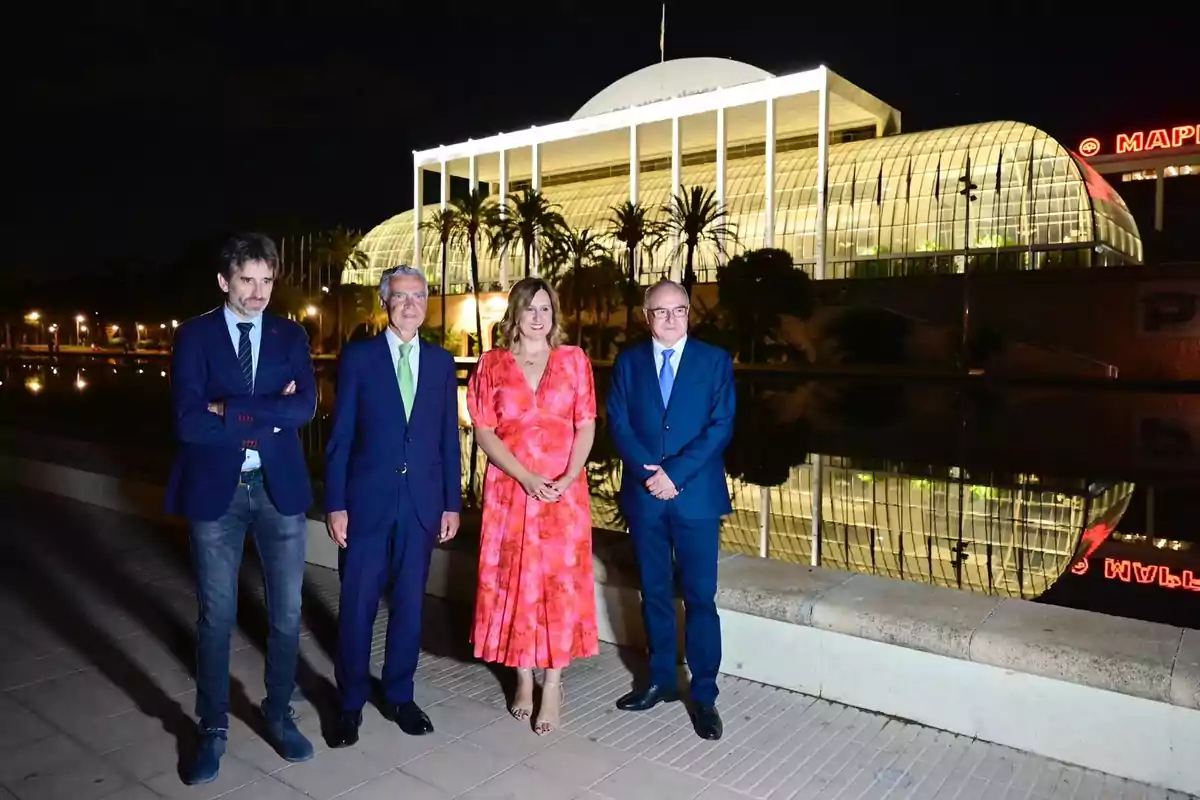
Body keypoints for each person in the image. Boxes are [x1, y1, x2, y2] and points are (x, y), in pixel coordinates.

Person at [165, 232, 318, 784]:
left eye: (267, 280)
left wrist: (227, 409)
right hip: (216, 494)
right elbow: (187, 421)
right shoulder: (195, 337)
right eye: (247, 281)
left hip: (279, 491)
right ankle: (212, 727)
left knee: (286, 616)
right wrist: (263, 411)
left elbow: (305, 406)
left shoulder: (290, 333)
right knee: (217, 617)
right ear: (224, 281)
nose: (258, 293)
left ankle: (279, 714)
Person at [324, 265, 462, 747]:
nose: (411, 305)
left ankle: (399, 695)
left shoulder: (443, 363)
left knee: (409, 606)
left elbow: (449, 438)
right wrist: (336, 502)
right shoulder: (359, 358)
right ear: (385, 302)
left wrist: (451, 503)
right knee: (357, 605)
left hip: (423, 506)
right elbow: (340, 436)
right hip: (366, 504)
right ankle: (349, 702)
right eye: (401, 296)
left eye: (419, 296)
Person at [466, 277, 599, 735]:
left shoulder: (574, 361)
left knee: (558, 586)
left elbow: (586, 425)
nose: (539, 317)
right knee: (514, 581)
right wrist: (524, 476)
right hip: (510, 492)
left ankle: (554, 683)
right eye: (530, 309)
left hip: (564, 495)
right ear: (515, 316)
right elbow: (483, 431)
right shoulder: (492, 365)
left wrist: (566, 477)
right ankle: (523, 678)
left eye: (546, 308)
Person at [606, 278, 735, 741]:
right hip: (646, 499)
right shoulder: (629, 362)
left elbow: (721, 426)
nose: (671, 318)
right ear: (647, 316)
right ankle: (660, 680)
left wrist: (674, 475)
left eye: (679, 309)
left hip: (695, 498)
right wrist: (648, 475)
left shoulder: (714, 362)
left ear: (689, 313)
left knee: (701, 598)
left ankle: (703, 694)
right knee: (654, 592)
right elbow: (618, 421)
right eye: (661, 311)